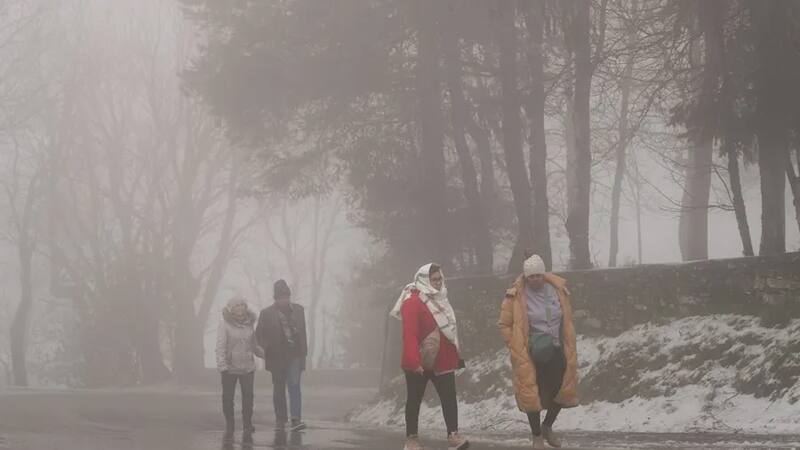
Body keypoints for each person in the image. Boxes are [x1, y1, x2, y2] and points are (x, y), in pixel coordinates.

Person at [498, 254, 579, 449]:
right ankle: (536, 436)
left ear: (544, 274)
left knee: (563, 388)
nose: (535, 279)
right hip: (530, 352)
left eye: (538, 275)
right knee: (531, 393)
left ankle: (547, 426)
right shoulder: (515, 295)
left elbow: (566, 317)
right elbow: (504, 324)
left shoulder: (557, 290)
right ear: (526, 277)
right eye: (531, 276)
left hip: (557, 348)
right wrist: (516, 344)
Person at [390, 263, 469, 450]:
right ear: (424, 280)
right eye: (434, 280)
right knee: (414, 399)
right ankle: (412, 439)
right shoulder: (412, 301)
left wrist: (455, 356)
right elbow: (409, 334)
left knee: (449, 397)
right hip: (419, 360)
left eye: (440, 278)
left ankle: (453, 435)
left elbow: (449, 331)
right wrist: (413, 362)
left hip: (442, 359)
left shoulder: (442, 299)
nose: (438, 283)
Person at [256, 279, 308, 432]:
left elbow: (303, 333)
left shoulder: (299, 310)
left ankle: (296, 419)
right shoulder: (266, 313)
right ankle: (280, 419)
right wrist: (266, 348)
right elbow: (259, 335)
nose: (284, 300)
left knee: (294, 386)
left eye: (286, 296)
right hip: (276, 356)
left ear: (289, 296)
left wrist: (304, 354)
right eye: (280, 297)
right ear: (275, 298)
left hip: (295, 355)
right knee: (279, 388)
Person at [216, 296, 263, 438]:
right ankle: (230, 424)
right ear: (231, 309)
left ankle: (247, 424)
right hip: (229, 368)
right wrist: (222, 365)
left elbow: (254, 345)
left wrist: (267, 354)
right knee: (228, 398)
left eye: (242, 305)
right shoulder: (224, 325)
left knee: (248, 397)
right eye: (237, 305)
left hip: (247, 367)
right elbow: (220, 347)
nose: (240, 307)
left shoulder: (249, 324)